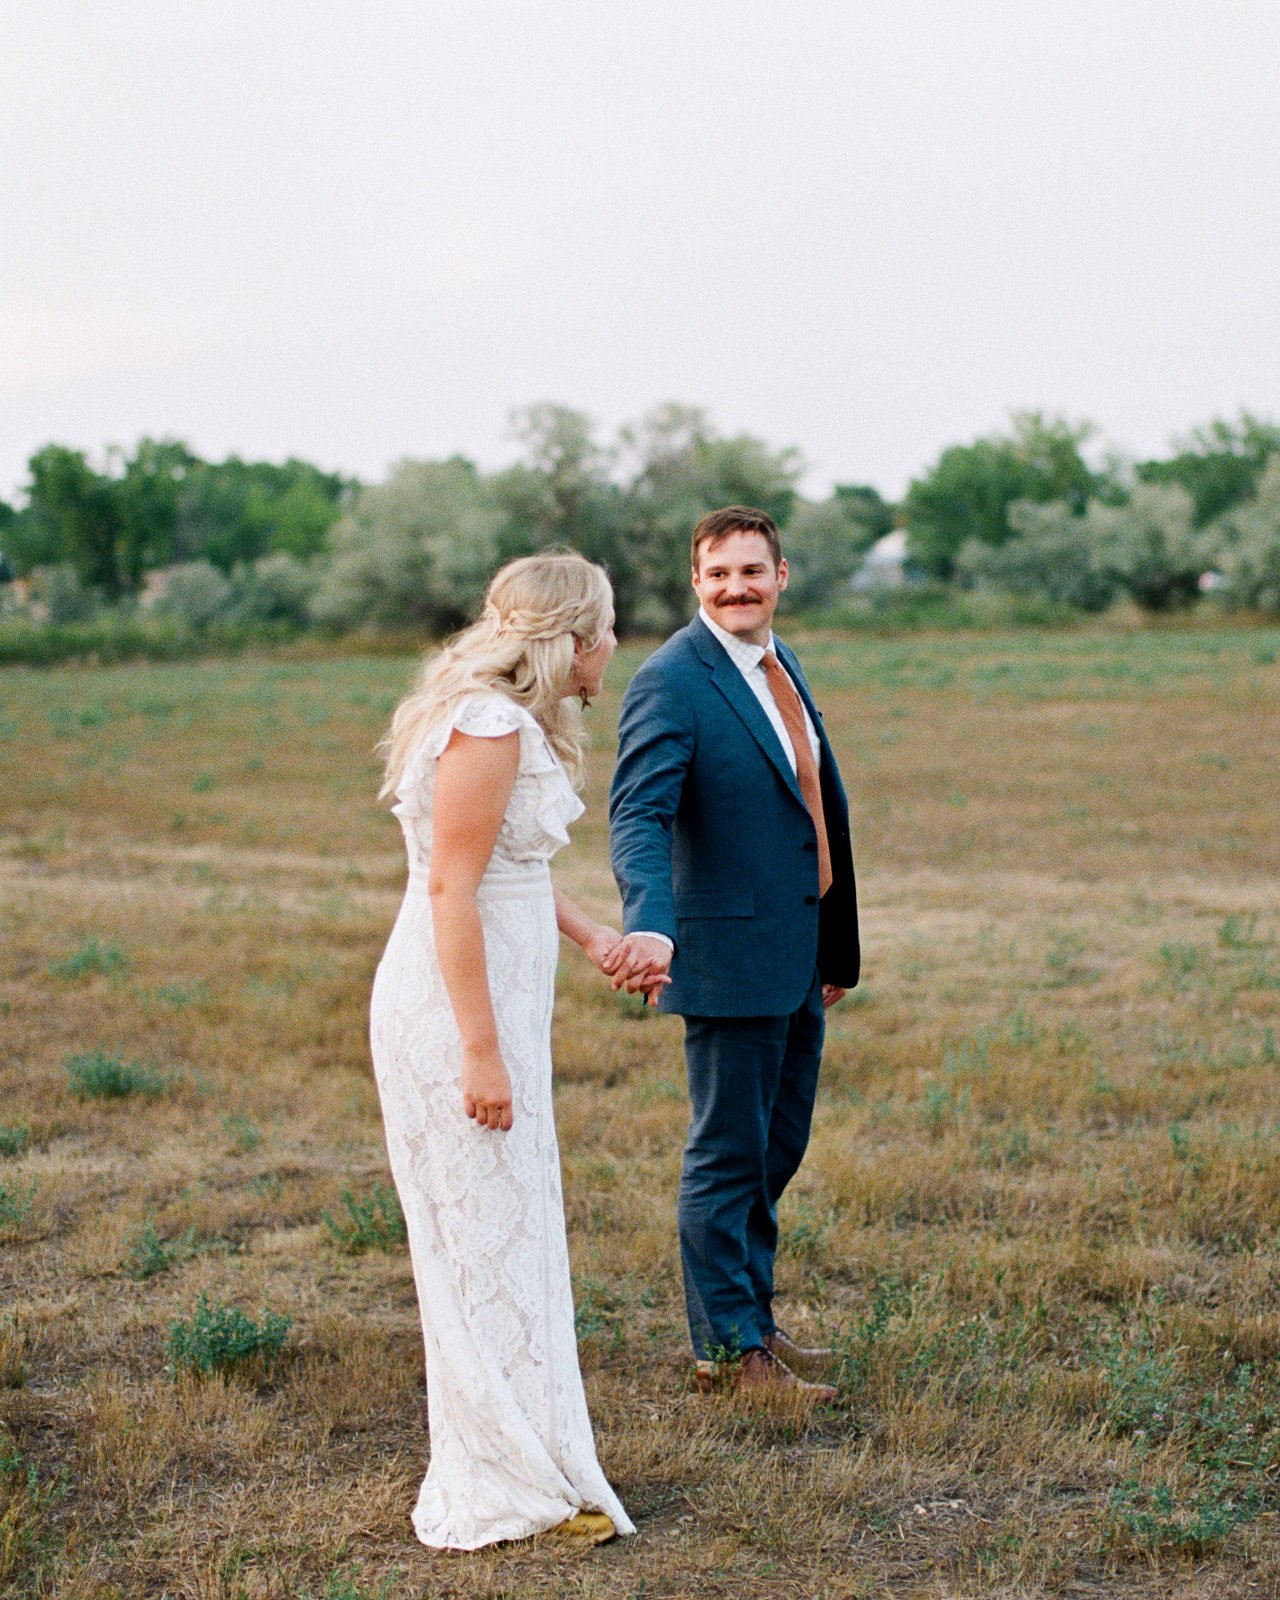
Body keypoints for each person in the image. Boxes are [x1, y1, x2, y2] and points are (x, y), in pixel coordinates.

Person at [369, 553, 643, 1550]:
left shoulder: (504, 719)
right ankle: (501, 1478)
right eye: (606, 629)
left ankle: (530, 1455)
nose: (612, 648)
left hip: (495, 1007)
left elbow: (506, 873)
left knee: (510, 1233)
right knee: (483, 1234)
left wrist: (592, 937)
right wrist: (480, 1053)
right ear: (569, 638)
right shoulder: (486, 724)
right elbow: (450, 890)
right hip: (455, 1013)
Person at [606, 506, 860, 1397]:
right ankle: (729, 1353)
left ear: (781, 575)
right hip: (722, 957)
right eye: (718, 576)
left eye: (751, 571)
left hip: (797, 955)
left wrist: (832, 945)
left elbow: (807, 809)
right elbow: (638, 812)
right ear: (696, 583)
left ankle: (754, 1321)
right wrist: (650, 919)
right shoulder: (673, 679)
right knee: (727, 1155)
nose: (735, 589)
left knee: (775, 1149)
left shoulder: (776, 662)